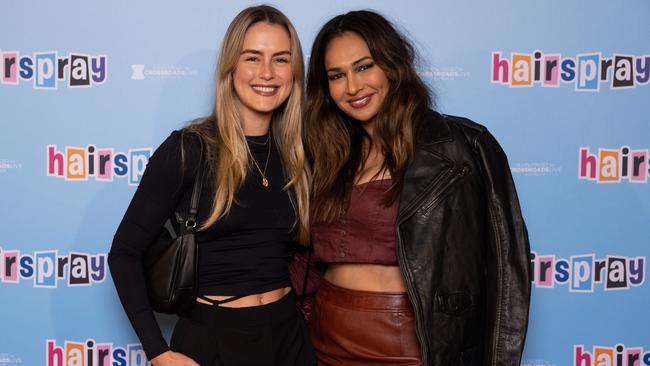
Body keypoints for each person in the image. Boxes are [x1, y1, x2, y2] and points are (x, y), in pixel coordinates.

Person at [301, 10, 531, 366]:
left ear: (392, 65)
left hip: (412, 344)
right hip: (326, 339)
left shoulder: (460, 146)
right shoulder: (324, 155)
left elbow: (505, 267)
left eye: (364, 67)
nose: (353, 86)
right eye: (336, 76)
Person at [108, 5, 315, 366]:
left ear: (294, 72)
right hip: (215, 339)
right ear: (230, 66)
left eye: (281, 59)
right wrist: (157, 352)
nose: (267, 72)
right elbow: (124, 253)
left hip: (289, 336)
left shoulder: (300, 155)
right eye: (253, 57)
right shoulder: (189, 149)